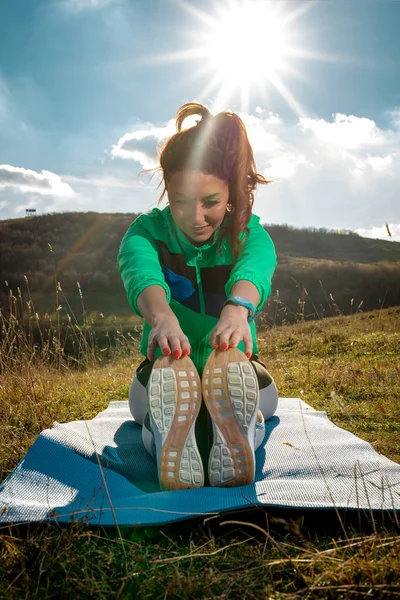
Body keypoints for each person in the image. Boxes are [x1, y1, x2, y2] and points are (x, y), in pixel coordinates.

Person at [118, 102, 278, 491]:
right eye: (181, 201)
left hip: (233, 364)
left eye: (210, 202)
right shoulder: (146, 233)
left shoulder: (247, 234)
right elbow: (141, 273)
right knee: (144, 406)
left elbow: (255, 269)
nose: (195, 217)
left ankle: (239, 434)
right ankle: (165, 436)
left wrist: (238, 309)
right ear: (167, 191)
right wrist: (162, 318)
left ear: (231, 192)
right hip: (167, 370)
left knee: (267, 400)